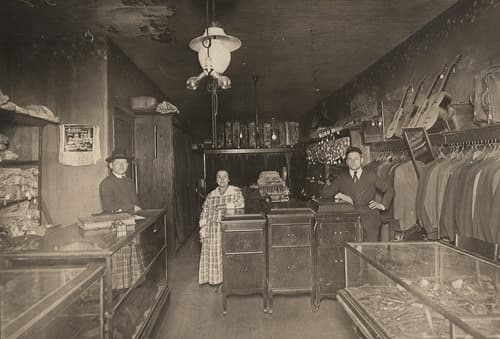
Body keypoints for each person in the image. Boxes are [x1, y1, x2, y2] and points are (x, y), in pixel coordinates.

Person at [321, 146, 394, 241]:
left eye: (356, 159)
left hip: (370, 220)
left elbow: (389, 189)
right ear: (346, 162)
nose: (353, 161)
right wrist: (339, 195)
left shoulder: (371, 176)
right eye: (350, 159)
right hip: (349, 220)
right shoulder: (341, 178)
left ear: (361, 160)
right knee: (351, 251)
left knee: (370, 251)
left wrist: (382, 205)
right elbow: (325, 193)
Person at [199, 170, 245, 286]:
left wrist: (223, 206)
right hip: (213, 229)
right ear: (216, 180)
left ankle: (230, 280)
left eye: (225, 177)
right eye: (219, 177)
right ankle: (217, 280)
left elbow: (241, 204)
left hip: (229, 228)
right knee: (215, 255)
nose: (222, 179)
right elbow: (205, 211)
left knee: (229, 254)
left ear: (229, 179)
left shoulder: (235, 191)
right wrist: (203, 228)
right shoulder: (211, 195)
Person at [99, 150, 142, 214]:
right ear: (111, 165)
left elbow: (136, 203)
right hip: (114, 218)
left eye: (124, 162)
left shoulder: (130, 181)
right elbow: (108, 206)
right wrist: (131, 207)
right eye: (118, 163)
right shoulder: (106, 183)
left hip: (132, 216)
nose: (121, 165)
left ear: (127, 165)